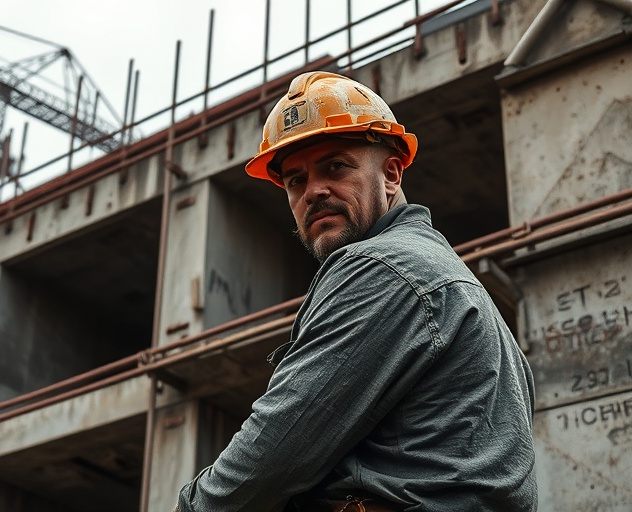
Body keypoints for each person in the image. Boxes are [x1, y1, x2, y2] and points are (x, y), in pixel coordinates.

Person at [174, 71, 537, 511]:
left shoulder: (379, 267)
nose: (313, 192)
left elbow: (276, 452)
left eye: (335, 167)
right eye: (295, 181)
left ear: (391, 172)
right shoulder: (452, 283)